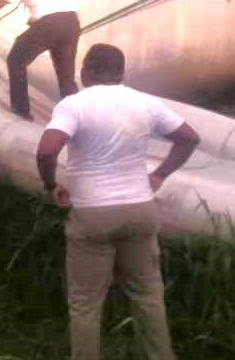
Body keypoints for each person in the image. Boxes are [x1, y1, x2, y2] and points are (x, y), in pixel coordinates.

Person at [36, 43, 200, 360]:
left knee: (85, 303)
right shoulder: (146, 103)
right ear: (122, 73)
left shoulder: (74, 105)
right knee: (148, 295)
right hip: (140, 209)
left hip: (93, 215)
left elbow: (46, 151)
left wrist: (50, 184)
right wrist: (159, 175)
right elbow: (189, 138)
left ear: (86, 71)